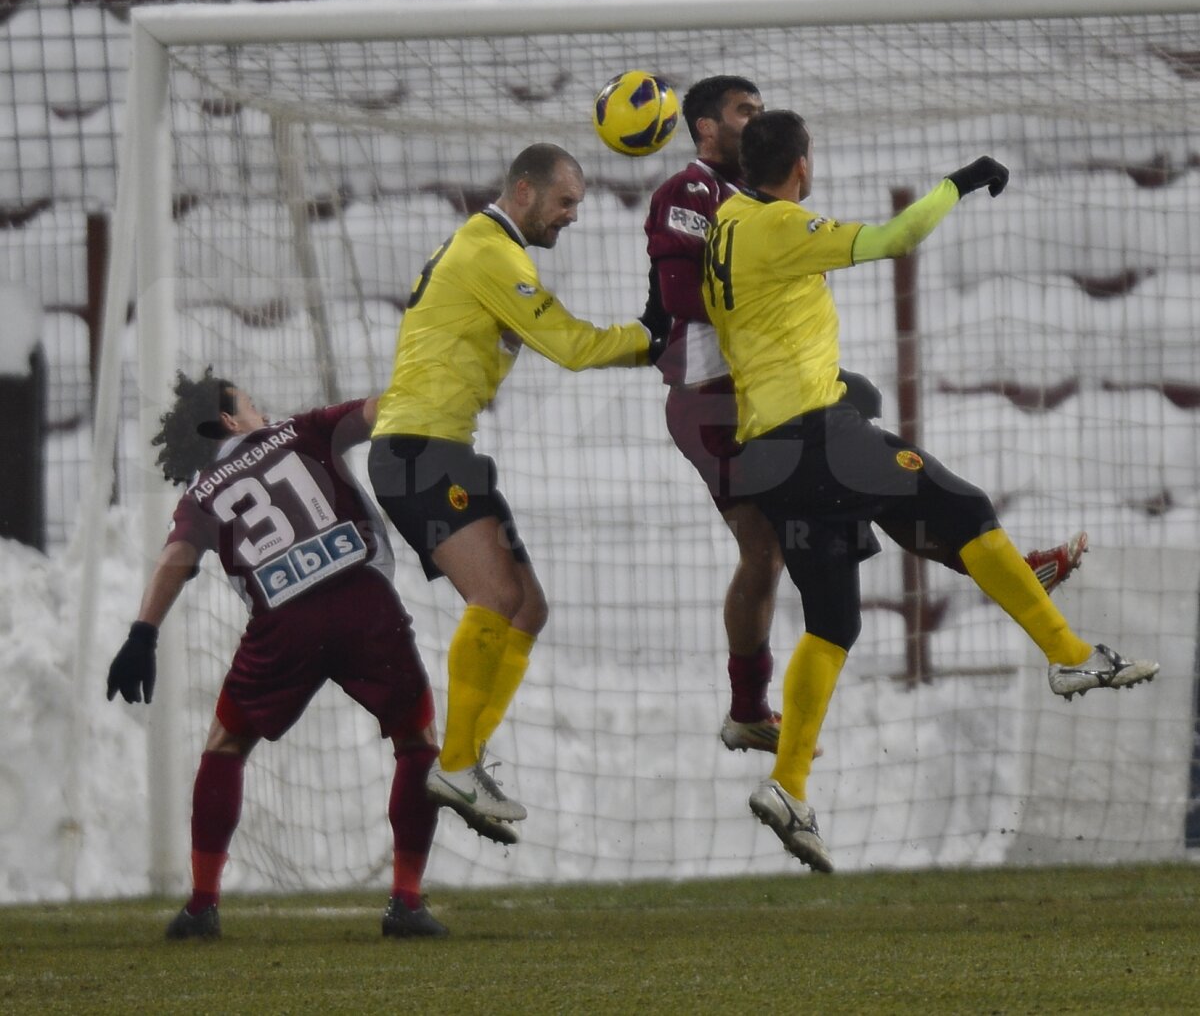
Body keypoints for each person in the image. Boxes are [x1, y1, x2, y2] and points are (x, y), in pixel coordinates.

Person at [701, 110, 1158, 872]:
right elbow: (893, 239)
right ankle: (1068, 650)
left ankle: (787, 785)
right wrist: (961, 181)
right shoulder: (781, 224)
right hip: (819, 440)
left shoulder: (725, 224)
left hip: (771, 459)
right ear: (802, 165)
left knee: (833, 621)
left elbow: (760, 320)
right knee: (963, 505)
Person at [643, 77, 1089, 755]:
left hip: (762, 388)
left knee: (853, 495)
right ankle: (747, 707)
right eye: (744, 111)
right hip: (714, 394)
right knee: (767, 547)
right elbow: (677, 292)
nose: (756, 118)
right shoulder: (694, 194)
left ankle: (1007, 571)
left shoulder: (747, 205)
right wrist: (764, 283)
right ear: (705, 128)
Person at [368, 143, 664, 842]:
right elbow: (571, 344)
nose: (571, 217)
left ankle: (462, 763)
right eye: (565, 202)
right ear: (524, 192)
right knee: (496, 597)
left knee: (526, 607)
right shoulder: (492, 254)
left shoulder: (484, 250)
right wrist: (654, 336)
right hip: (418, 450)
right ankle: (459, 763)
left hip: (445, 448)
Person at [106, 369, 451, 940]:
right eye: (251, 404)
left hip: (283, 622)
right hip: (362, 599)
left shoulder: (202, 492)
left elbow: (176, 560)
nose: (263, 410)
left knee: (225, 745)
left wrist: (143, 634)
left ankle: (201, 906)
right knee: (415, 740)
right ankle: (406, 902)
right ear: (229, 419)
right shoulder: (302, 430)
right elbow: (378, 411)